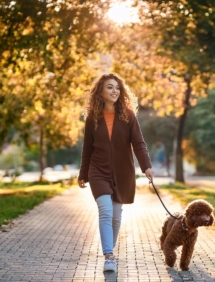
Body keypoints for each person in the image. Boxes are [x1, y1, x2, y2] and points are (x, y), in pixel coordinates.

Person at [78, 73, 154, 272]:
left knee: (117, 216)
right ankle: (109, 255)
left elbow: (138, 143)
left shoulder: (128, 115)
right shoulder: (92, 118)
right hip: (98, 171)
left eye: (117, 88)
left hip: (122, 172)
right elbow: (87, 148)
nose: (114, 91)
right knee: (105, 211)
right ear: (100, 92)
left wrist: (147, 166)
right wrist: (83, 173)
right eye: (110, 87)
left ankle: (110, 250)